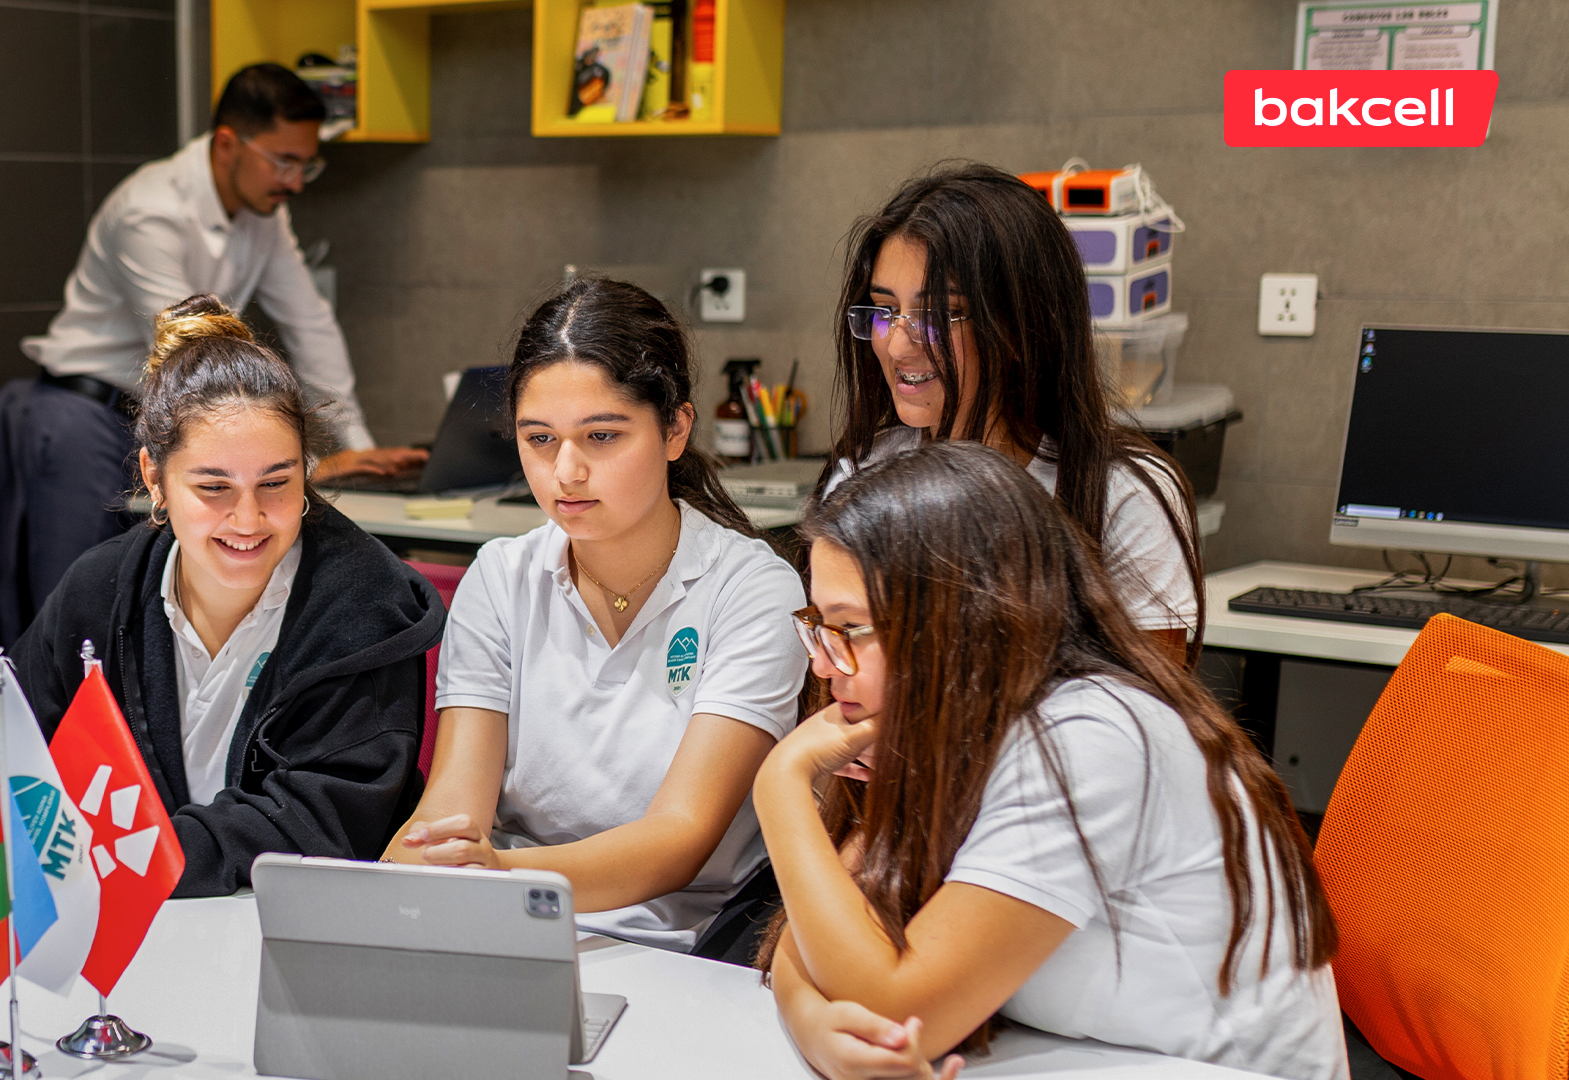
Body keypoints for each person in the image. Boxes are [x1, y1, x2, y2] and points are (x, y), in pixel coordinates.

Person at [760, 443, 1347, 1080]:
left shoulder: (1091, 737)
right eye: (819, 626)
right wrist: (813, 1023)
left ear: (959, 620)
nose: (823, 664)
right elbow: (824, 931)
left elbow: (894, 1006)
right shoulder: (948, 723)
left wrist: (781, 784)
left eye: (849, 629)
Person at [0, 294, 446, 896]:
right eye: (214, 487)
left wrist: (124, 855)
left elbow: (322, 822)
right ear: (155, 478)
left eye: (276, 482)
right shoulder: (101, 585)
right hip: (139, 909)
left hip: (298, 919)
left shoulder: (363, 604)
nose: (248, 519)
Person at [383, 279, 810, 956]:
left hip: (684, 945)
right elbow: (452, 808)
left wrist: (499, 876)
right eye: (539, 438)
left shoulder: (751, 589)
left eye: (602, 436)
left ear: (676, 429)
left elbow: (678, 839)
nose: (567, 471)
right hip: (507, 924)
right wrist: (413, 871)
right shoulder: (501, 576)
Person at [0, 63, 425, 664]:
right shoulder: (150, 210)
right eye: (283, 161)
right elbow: (189, 352)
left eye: (306, 165)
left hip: (178, 420)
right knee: (84, 616)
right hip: (87, 415)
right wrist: (314, 458)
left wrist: (357, 448)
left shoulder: (264, 214)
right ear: (228, 144)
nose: (294, 182)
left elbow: (309, 321)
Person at [818, 162, 1200, 663]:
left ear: (1020, 326)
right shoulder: (863, 475)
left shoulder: (1121, 494)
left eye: (937, 315)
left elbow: (1149, 702)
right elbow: (837, 674)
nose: (897, 345)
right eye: (884, 311)